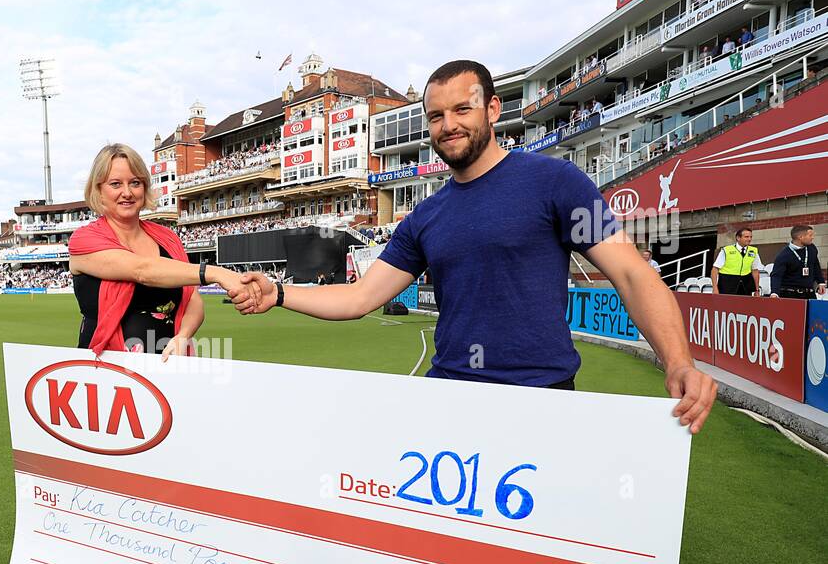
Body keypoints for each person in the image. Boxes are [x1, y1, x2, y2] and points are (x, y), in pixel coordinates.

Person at [232, 59, 717, 434]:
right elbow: (360, 297)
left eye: (462, 109)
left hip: (540, 400)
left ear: (492, 109)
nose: (448, 125)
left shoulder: (555, 181)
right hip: (447, 400)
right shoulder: (425, 215)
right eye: (436, 116)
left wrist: (678, 362)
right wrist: (278, 293)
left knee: (532, 553)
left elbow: (632, 273)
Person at [67, 143, 254, 359]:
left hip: (167, 367)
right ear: (98, 190)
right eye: (116, 184)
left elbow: (192, 300)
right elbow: (142, 270)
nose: (127, 192)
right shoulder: (84, 239)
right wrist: (215, 273)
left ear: (144, 187)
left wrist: (183, 336)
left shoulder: (167, 238)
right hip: (106, 371)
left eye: (135, 183)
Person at [769, 225, 824, 299]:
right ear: (800, 237)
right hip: (790, 294)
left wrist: (821, 282)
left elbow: (815, 265)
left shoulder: (811, 248)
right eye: (810, 235)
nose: (812, 237)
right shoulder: (784, 255)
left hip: (809, 293)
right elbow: (776, 275)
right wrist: (774, 292)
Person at [710, 227, 760, 296]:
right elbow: (715, 270)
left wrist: (756, 290)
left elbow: (755, 271)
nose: (749, 239)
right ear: (738, 238)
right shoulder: (726, 250)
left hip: (745, 287)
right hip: (726, 285)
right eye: (746, 237)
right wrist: (715, 288)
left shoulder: (754, 251)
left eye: (750, 237)